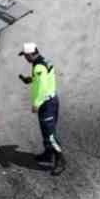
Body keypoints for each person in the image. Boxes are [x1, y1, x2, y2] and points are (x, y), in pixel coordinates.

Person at [18, 44, 65, 175]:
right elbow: (43, 78)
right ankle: (48, 154)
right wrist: (30, 79)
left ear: (31, 54)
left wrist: (37, 103)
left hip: (47, 103)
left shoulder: (38, 66)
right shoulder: (44, 61)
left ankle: (61, 161)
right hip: (51, 101)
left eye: (26, 56)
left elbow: (43, 87)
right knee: (45, 132)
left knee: (50, 135)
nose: (25, 59)